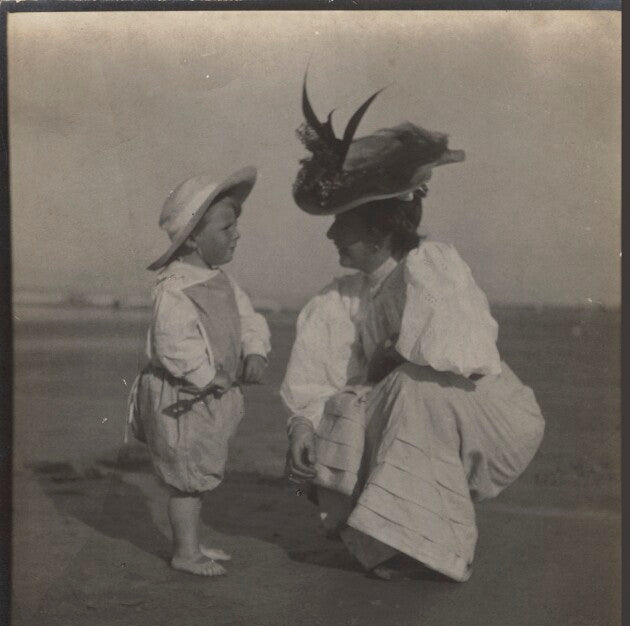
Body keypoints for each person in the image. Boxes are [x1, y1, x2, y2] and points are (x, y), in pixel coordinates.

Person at [281, 81, 544, 581]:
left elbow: (461, 356)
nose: (332, 234)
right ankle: (384, 538)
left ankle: (429, 545)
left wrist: (389, 359)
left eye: (343, 222)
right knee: (350, 402)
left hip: (489, 417)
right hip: (419, 408)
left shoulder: (431, 267)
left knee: (408, 385)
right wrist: (302, 425)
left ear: (381, 227)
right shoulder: (340, 298)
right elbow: (317, 378)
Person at [127, 167, 271, 577]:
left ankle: (190, 541)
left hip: (211, 395)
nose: (236, 234)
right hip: (185, 396)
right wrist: (209, 376)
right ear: (192, 237)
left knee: (201, 468)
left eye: (235, 225)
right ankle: (185, 553)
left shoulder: (220, 279)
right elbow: (175, 345)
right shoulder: (174, 286)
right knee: (186, 478)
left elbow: (248, 320)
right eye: (226, 227)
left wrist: (254, 351)